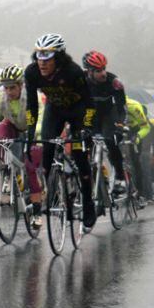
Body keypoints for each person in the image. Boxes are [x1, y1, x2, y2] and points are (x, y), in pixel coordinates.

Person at [25, 33, 97, 229]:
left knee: (79, 153)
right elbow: (31, 105)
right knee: (47, 146)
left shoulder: (73, 72)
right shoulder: (31, 73)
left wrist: (87, 128)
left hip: (78, 111)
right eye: (39, 56)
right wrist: (30, 132)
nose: (42, 63)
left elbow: (90, 103)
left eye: (47, 57)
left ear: (59, 57)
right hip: (54, 110)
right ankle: (54, 193)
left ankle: (88, 203)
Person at [0, 64, 45, 229]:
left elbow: (39, 119)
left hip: (34, 127)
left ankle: (37, 211)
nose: (9, 91)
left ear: (21, 85)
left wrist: (35, 138)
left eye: (12, 88)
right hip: (13, 125)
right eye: (6, 88)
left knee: (30, 167)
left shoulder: (32, 95)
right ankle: (7, 169)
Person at [82, 50, 128, 195]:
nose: (103, 73)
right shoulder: (81, 81)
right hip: (91, 114)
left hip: (109, 113)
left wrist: (120, 127)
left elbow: (122, 108)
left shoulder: (114, 82)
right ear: (88, 72)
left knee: (110, 140)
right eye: (98, 70)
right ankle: (94, 177)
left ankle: (120, 177)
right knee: (84, 143)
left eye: (104, 69)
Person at [124, 97, 151, 208]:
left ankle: (140, 195)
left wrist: (138, 137)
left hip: (134, 130)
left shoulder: (133, 106)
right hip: (119, 129)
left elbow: (146, 127)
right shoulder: (107, 104)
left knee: (136, 164)